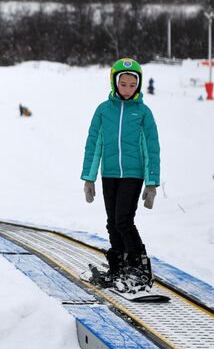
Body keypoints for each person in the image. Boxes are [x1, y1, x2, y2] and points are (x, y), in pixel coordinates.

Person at [80, 58, 160, 294]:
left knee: (124, 221)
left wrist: (152, 183)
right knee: (112, 222)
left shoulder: (143, 113)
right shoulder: (104, 111)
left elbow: (152, 148)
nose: (127, 89)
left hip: (133, 175)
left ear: (139, 85)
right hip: (110, 174)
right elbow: (93, 144)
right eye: (123, 84)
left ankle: (140, 268)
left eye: (132, 84)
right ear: (115, 83)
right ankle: (119, 267)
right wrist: (89, 177)